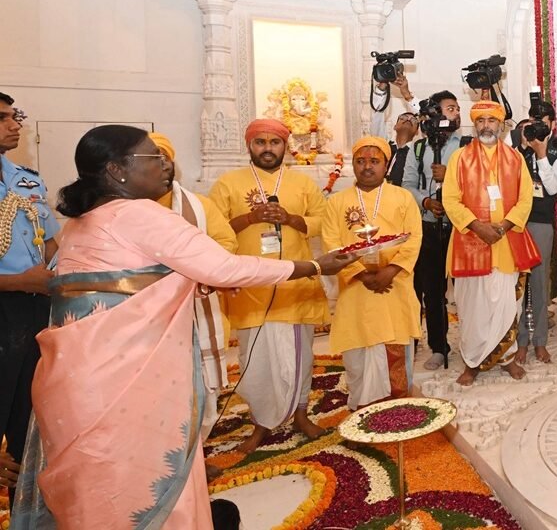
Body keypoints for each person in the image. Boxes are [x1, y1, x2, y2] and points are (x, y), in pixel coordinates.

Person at [10, 125, 356, 529]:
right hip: (127, 382)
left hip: (78, 380)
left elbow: (137, 281)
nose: (165, 163)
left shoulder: (80, 223)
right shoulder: (141, 214)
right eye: (152, 157)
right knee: (143, 478)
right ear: (117, 170)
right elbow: (224, 266)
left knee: (97, 482)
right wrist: (314, 266)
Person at [208, 119, 330, 453]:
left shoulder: (302, 184)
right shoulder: (228, 184)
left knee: (300, 355)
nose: (267, 148)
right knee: (255, 359)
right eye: (260, 142)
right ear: (249, 145)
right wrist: (250, 218)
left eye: (274, 142)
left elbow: (323, 223)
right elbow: (212, 229)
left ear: (284, 147)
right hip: (252, 288)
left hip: (294, 287)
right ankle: (261, 422)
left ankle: (301, 413)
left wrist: (290, 219)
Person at [441, 101, 539, 386]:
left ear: (502, 125)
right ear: (475, 125)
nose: (486, 125)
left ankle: (505, 358)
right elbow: (450, 200)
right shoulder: (459, 158)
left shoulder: (515, 158)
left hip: (508, 241)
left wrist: (505, 225)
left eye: (491, 120)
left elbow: (525, 199)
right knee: (472, 307)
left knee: (507, 304)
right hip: (471, 241)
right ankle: (472, 361)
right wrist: (477, 226)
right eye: (481, 120)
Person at [321, 136, 423, 408]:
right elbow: (332, 243)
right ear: (352, 165)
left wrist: (391, 270)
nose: (367, 167)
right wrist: (360, 274)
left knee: (395, 353)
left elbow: (413, 239)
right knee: (357, 360)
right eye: (361, 161)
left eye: (374, 161)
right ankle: (362, 415)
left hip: (395, 289)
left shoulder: (402, 197)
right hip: (356, 294)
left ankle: (397, 416)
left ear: (386, 165)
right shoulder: (336, 202)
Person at [151, 132, 238, 446]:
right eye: (153, 157)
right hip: (151, 315)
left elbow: (226, 242)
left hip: (198, 307)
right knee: (161, 389)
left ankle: (196, 455)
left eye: (165, 156)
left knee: (202, 387)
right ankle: (174, 457)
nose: (160, 164)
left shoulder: (199, 206)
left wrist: (198, 268)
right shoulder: (128, 208)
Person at [0, 92, 58, 502]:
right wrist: (19, 282)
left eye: (14, 116)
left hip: (36, 305)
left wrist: (53, 275)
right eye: (3, 118)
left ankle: (23, 498)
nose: (14, 124)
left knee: (31, 405)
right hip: (5, 301)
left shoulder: (27, 178)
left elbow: (53, 243)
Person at [404, 90, 464, 370]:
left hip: (462, 229)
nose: (456, 113)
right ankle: (439, 347)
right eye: (450, 108)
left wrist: (449, 176)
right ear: (436, 114)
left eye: (456, 109)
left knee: (467, 290)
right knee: (432, 290)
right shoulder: (419, 148)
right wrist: (426, 201)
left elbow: (477, 181)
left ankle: (474, 345)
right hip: (429, 226)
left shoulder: (467, 145)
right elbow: (407, 185)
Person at [513, 114, 557, 365]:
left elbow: (554, 188)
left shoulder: (554, 152)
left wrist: (541, 153)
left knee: (541, 285)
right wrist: (522, 147)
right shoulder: (513, 155)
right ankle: (520, 342)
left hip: (542, 224)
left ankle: (540, 341)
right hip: (515, 224)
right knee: (518, 286)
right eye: (526, 129)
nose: (531, 132)